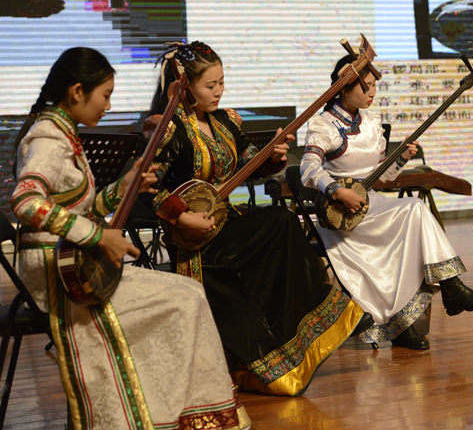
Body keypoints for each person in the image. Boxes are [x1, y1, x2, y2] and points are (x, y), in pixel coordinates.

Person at [12, 47, 247, 430]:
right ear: (76, 92)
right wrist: (98, 237)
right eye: (104, 95)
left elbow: (84, 206)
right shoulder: (47, 139)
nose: (108, 105)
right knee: (186, 298)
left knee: (187, 296)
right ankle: (172, 418)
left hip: (74, 262)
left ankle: (169, 414)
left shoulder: (62, 134)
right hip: (60, 274)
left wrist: (125, 185)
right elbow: (25, 201)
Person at [143, 41, 369, 396]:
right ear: (185, 86)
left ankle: (298, 334)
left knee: (280, 221)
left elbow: (251, 163)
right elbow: (145, 190)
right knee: (276, 225)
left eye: (222, 82)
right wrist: (181, 217)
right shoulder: (167, 128)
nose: (219, 91)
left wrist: (276, 157)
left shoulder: (224, 122)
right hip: (194, 240)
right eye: (210, 85)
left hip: (225, 225)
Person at [299, 55, 473, 351]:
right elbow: (309, 170)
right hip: (340, 214)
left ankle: (416, 316)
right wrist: (338, 191)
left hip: (370, 203)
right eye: (365, 87)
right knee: (414, 213)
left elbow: (382, 177)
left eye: (374, 86)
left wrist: (401, 158)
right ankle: (448, 290)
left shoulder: (372, 122)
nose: (371, 93)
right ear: (342, 88)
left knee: (414, 216)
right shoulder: (323, 125)